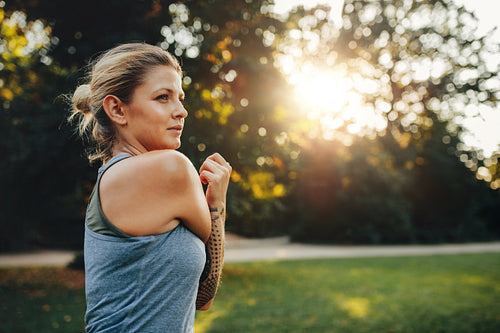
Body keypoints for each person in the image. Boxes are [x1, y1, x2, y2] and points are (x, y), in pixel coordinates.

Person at [68, 42, 231, 332]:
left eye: (180, 98)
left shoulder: (119, 178)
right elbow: (209, 285)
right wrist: (217, 204)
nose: (181, 111)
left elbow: (202, 297)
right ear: (117, 109)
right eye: (163, 97)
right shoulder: (171, 168)